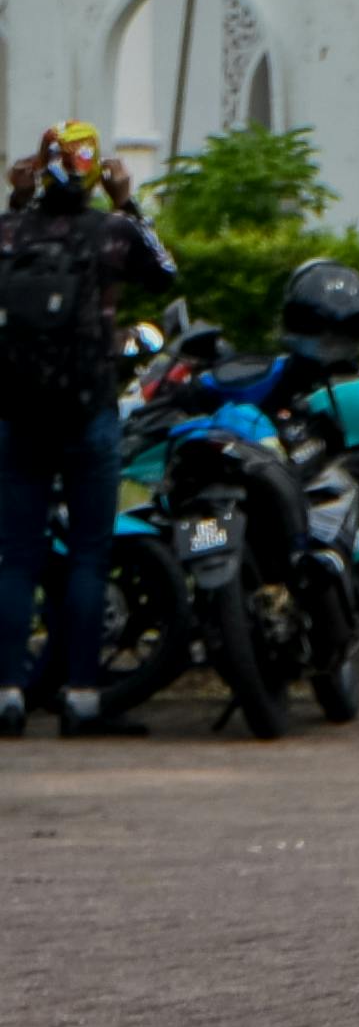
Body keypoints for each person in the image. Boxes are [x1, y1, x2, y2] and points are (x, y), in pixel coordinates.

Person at [3, 123, 180, 739]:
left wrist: (16, 202)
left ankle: (8, 696)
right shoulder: (112, 233)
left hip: (19, 415)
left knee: (17, 558)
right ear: (91, 171)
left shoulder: (10, 231)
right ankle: (81, 700)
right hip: (89, 412)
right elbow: (165, 274)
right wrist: (127, 199)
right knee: (88, 556)